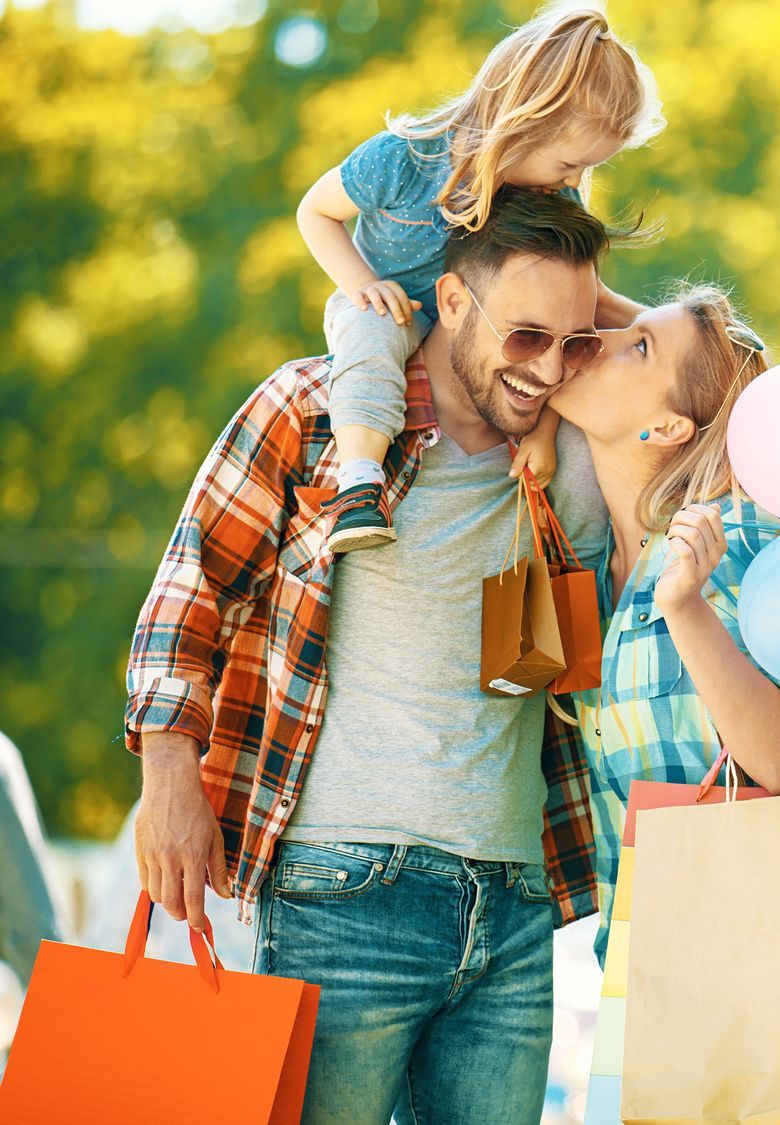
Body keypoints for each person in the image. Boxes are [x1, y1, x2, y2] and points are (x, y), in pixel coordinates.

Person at [127, 187, 616, 1124]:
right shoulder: (315, 408)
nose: (549, 369)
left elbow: (544, 671)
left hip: (514, 910)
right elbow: (189, 589)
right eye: (526, 337)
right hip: (339, 899)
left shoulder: (555, 468)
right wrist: (169, 777)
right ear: (453, 301)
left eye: (575, 342)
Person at [542, 283, 780, 967]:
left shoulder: (732, 537)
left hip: (759, 969)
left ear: (669, 428)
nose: (604, 340)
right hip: (645, 973)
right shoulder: (595, 572)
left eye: (640, 347)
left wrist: (685, 609)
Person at [296, 4, 662, 555]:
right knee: (372, 338)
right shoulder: (402, 160)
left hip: (478, 342)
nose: (578, 181)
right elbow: (315, 212)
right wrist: (361, 284)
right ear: (523, 122)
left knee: (559, 342)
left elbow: (582, 307)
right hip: (389, 306)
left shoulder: (541, 197)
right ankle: (359, 483)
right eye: (569, 165)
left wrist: (677, 336)